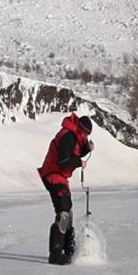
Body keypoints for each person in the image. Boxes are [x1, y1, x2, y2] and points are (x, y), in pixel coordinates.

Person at [37, 112, 94, 265]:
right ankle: (56, 255)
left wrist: (86, 149)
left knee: (67, 211)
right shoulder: (68, 135)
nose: (86, 136)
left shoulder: (75, 134)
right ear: (80, 128)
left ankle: (68, 250)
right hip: (52, 175)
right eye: (86, 133)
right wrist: (79, 163)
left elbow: (75, 150)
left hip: (59, 177)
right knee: (63, 213)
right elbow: (64, 160)